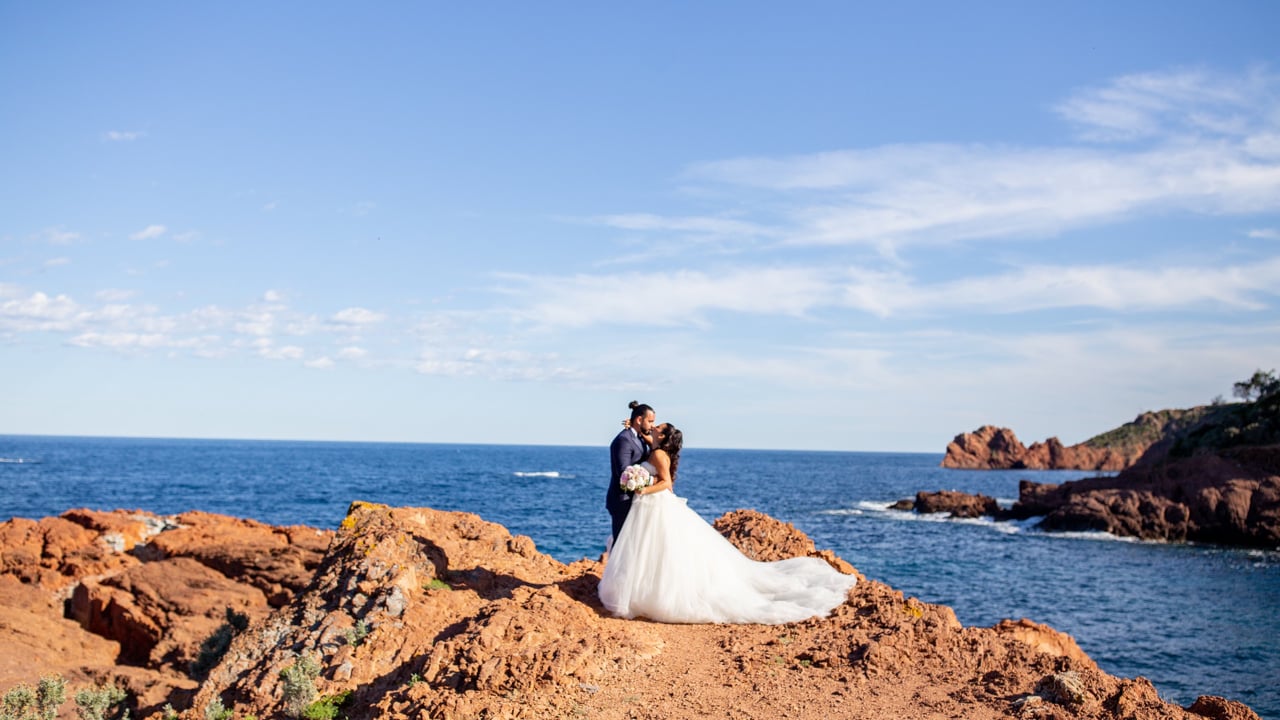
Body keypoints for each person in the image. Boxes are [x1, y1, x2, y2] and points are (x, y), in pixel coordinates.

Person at [598, 423, 858, 625]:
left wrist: (643, 490)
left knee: (658, 550)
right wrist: (635, 431)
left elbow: (667, 483)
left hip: (653, 503)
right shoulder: (656, 450)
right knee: (652, 550)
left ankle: (651, 594)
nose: (652, 429)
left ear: (663, 437)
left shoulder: (658, 455)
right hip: (650, 508)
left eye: (657, 428)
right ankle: (643, 590)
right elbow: (646, 443)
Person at [607, 401, 655, 546]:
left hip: (635, 498)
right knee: (622, 543)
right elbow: (624, 473)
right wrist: (651, 481)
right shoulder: (624, 440)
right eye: (650, 421)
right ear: (639, 420)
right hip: (623, 500)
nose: (653, 425)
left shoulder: (639, 437)